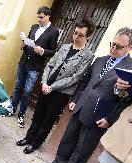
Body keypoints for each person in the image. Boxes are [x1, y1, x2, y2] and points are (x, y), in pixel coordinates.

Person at [41, 27, 132, 163]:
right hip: (81, 105)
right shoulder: (99, 60)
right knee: (68, 138)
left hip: (101, 114)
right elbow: (85, 82)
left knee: (84, 147)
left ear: (131, 47)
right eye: (113, 44)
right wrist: (75, 99)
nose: (113, 48)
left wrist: (110, 119)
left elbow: (128, 101)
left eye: (119, 46)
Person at [16, 18, 96, 154]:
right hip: (46, 85)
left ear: (88, 37)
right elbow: (50, 64)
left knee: (48, 119)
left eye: (80, 35)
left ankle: (36, 143)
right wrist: (44, 82)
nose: (76, 37)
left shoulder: (88, 55)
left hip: (61, 92)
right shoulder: (65, 47)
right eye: (75, 33)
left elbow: (75, 78)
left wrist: (52, 87)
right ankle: (29, 137)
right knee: (38, 114)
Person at [11, 6, 59, 128]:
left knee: (27, 91)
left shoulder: (54, 31)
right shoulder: (34, 27)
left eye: (41, 17)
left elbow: (53, 51)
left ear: (48, 16)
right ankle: (12, 108)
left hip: (35, 66)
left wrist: (42, 51)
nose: (39, 20)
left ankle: (21, 114)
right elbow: (27, 40)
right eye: (38, 17)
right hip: (24, 61)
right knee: (17, 87)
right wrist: (24, 44)